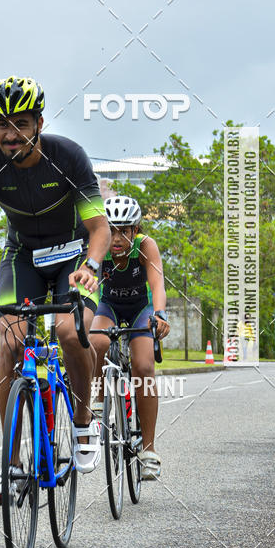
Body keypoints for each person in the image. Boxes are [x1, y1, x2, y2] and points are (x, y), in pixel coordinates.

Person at [0, 76, 111, 499]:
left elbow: (99, 228)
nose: (10, 134)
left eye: (19, 123)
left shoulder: (68, 156)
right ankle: (13, 465)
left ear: (39, 122)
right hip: (24, 257)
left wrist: (92, 265)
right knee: (11, 342)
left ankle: (81, 422)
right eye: (1, 125)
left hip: (75, 255)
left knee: (68, 330)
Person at [89, 195, 170, 480]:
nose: (117, 237)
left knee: (144, 367)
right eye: (111, 229)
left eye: (124, 230)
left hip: (140, 308)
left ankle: (148, 450)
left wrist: (160, 314)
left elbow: (157, 283)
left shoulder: (146, 246)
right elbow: (88, 284)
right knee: (96, 340)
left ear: (135, 230)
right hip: (108, 306)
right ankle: (99, 398)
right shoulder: (100, 249)